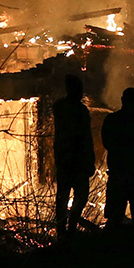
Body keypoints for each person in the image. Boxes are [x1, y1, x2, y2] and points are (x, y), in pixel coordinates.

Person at [52, 74, 95, 238]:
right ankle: (68, 230)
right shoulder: (78, 110)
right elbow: (86, 138)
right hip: (77, 163)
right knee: (80, 195)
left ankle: (63, 230)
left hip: (65, 161)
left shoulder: (60, 107)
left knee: (63, 197)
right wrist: (89, 161)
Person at [101, 87, 134, 226]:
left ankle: (112, 246)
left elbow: (107, 143)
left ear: (122, 100)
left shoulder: (112, 120)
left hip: (118, 175)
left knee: (114, 219)